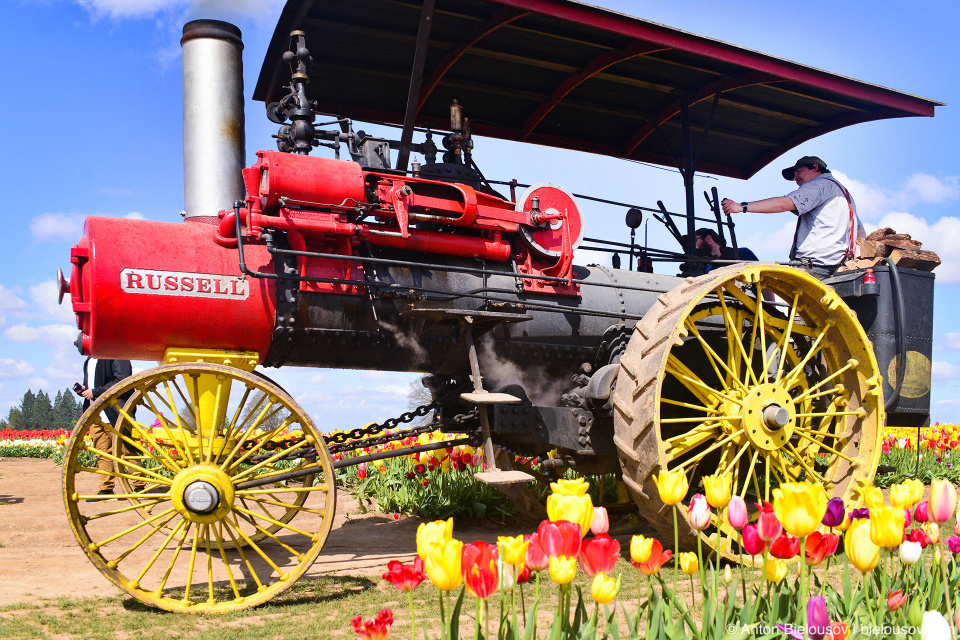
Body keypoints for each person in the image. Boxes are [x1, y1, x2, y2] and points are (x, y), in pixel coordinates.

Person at [720, 156, 864, 279]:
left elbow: (784, 204)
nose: (795, 177)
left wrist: (742, 207)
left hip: (815, 266)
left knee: (765, 280)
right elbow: (860, 232)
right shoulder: (844, 193)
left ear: (815, 168)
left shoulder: (819, 185)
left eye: (799, 171)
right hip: (836, 265)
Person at [78, 356, 137, 500]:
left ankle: (139, 486)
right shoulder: (89, 360)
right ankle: (106, 488)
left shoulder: (116, 354)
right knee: (102, 452)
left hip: (116, 410)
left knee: (126, 449)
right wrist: (85, 391)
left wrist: (96, 391)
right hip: (95, 412)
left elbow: (122, 380)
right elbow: (94, 386)